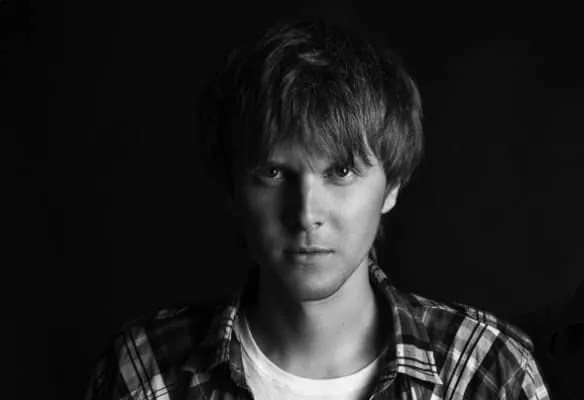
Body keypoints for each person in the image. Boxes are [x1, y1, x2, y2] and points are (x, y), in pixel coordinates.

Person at [85, 16, 551, 399]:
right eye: (273, 172)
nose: (306, 213)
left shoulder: (486, 372)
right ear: (232, 188)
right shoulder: (146, 372)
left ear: (392, 187)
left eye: (340, 171)